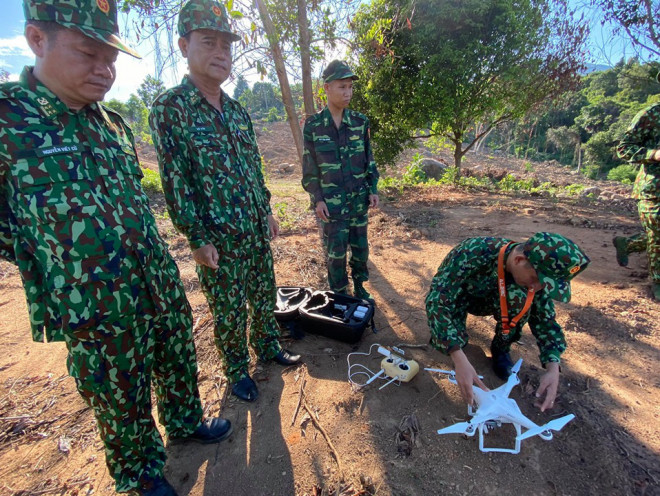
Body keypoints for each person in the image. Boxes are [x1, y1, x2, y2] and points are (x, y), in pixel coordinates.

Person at [0, 1, 233, 495]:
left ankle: (185, 419)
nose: (104, 70)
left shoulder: (112, 125)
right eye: (89, 54)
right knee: (118, 390)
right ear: (38, 40)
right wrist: (59, 266)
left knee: (176, 353)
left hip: (154, 277)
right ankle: (140, 473)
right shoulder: (8, 120)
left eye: (112, 58)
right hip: (93, 300)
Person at [149, 0, 300, 404]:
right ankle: (236, 370)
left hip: (253, 230)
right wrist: (196, 238)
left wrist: (266, 209)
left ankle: (267, 346)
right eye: (208, 42)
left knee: (265, 296)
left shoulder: (236, 111)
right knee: (229, 314)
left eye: (227, 46)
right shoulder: (171, 108)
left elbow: (254, 166)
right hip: (218, 240)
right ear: (184, 46)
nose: (221, 53)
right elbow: (175, 181)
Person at [425, 233, 590, 412]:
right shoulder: (472, 252)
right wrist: (456, 354)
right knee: (455, 340)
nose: (537, 287)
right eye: (536, 280)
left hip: (499, 303)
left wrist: (552, 366)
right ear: (519, 260)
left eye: (543, 284)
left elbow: (545, 319)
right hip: (464, 298)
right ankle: (457, 342)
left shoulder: (536, 279)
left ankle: (501, 348)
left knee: (524, 300)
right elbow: (438, 301)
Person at [301, 60, 379, 300]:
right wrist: (317, 199)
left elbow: (369, 157)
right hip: (332, 206)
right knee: (335, 253)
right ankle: (338, 292)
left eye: (350, 87)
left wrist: (373, 188)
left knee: (360, 250)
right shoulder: (313, 126)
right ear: (326, 88)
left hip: (358, 200)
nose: (348, 93)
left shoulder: (359, 122)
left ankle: (360, 286)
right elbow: (309, 166)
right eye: (342, 87)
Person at [614, 73, 660, 300]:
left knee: (656, 234)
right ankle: (657, 283)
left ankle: (628, 244)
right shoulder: (651, 114)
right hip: (654, 189)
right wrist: (654, 154)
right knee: (658, 233)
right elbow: (624, 148)